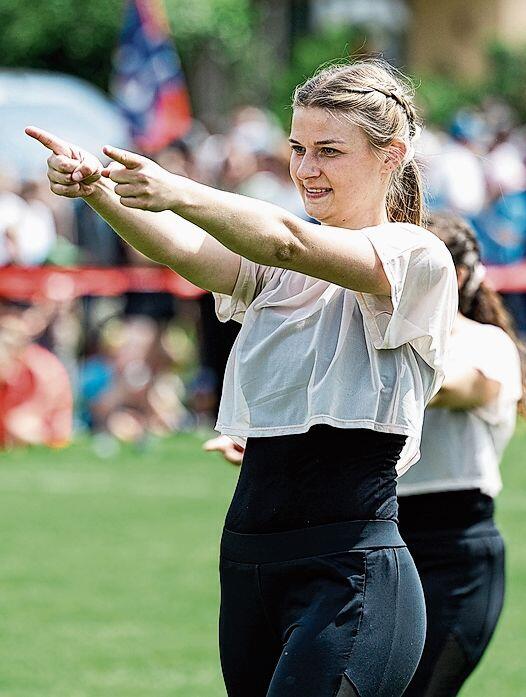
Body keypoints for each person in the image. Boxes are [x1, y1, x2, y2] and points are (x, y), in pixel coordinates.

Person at [27, 58, 457, 697]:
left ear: (391, 155)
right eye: (298, 149)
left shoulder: (414, 255)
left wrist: (180, 188)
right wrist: (99, 189)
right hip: (251, 563)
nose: (306, 169)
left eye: (329, 152)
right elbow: (184, 250)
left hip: (350, 571)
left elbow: (285, 241)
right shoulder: (279, 262)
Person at [397, 213, 524, 697]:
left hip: (458, 550)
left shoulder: (487, 343)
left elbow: (456, 388)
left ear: (462, 276)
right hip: (381, 539)